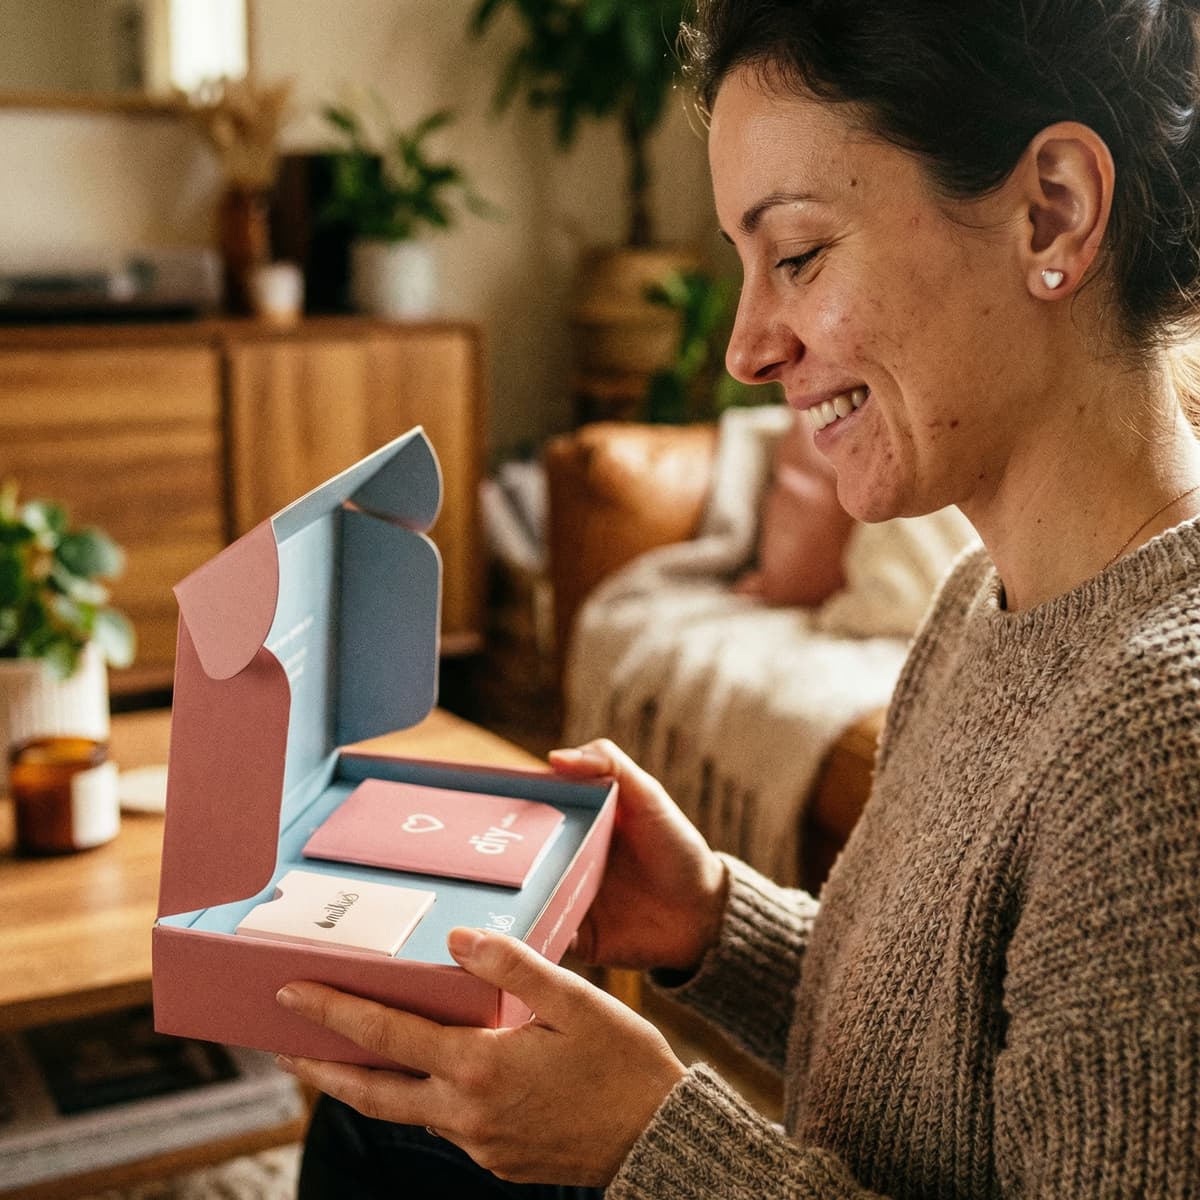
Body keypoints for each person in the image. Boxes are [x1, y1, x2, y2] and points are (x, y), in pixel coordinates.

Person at [281, 1, 1200, 1195]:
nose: (747, 346)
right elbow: (958, 1061)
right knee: (378, 1125)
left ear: (1055, 210)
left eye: (800, 255)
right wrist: (712, 923)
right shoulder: (986, 602)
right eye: (745, 263)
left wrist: (651, 1143)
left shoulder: (1160, 740)